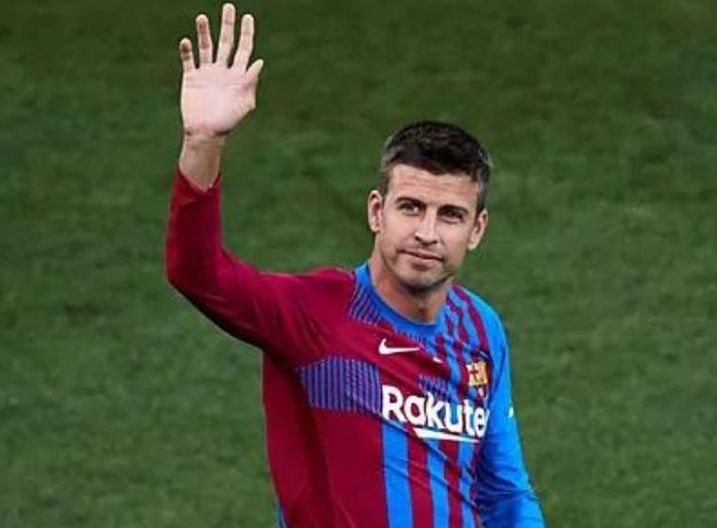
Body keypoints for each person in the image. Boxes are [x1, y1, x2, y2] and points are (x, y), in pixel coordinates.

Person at [166, 3, 545, 527]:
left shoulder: (481, 330)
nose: (427, 232)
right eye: (410, 207)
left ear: (477, 229)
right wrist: (203, 143)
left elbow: (504, 490)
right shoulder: (315, 314)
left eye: (450, 215)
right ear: (375, 211)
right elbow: (197, 273)